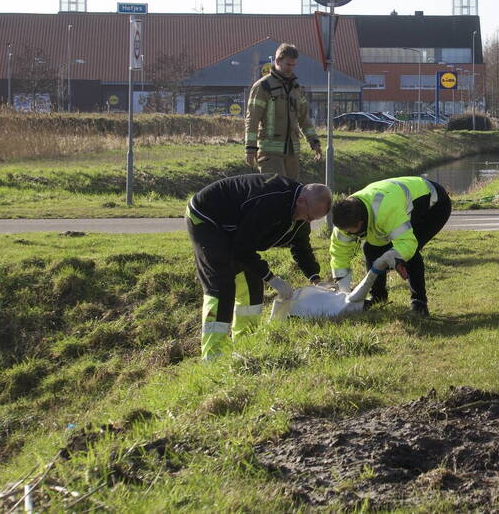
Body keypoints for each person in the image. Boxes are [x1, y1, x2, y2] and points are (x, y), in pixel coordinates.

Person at [187, 174, 332, 360]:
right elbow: (243, 249)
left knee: (252, 285)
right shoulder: (270, 202)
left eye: (314, 219)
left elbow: (301, 246)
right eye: (310, 216)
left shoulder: (300, 214)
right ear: (301, 200)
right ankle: (213, 357)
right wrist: (272, 279)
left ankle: (244, 346)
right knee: (222, 286)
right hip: (207, 218)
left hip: (237, 228)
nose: (309, 221)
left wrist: (315, 278)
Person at [329, 176, 451, 316]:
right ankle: (378, 297)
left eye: (351, 232)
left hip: (435, 204)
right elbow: (339, 255)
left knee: (410, 254)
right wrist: (344, 290)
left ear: (361, 223)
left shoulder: (386, 210)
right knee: (370, 248)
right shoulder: (344, 220)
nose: (349, 235)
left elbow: (407, 243)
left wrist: (393, 256)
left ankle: (419, 303)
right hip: (396, 202)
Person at [244, 43, 322, 180]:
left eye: (293, 65)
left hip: (292, 153)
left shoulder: (296, 88)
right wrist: (250, 149)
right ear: (277, 61)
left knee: (292, 190)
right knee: (277, 189)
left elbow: (304, 118)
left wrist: (314, 142)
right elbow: (252, 119)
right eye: (287, 64)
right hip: (269, 153)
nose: (290, 68)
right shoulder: (263, 86)